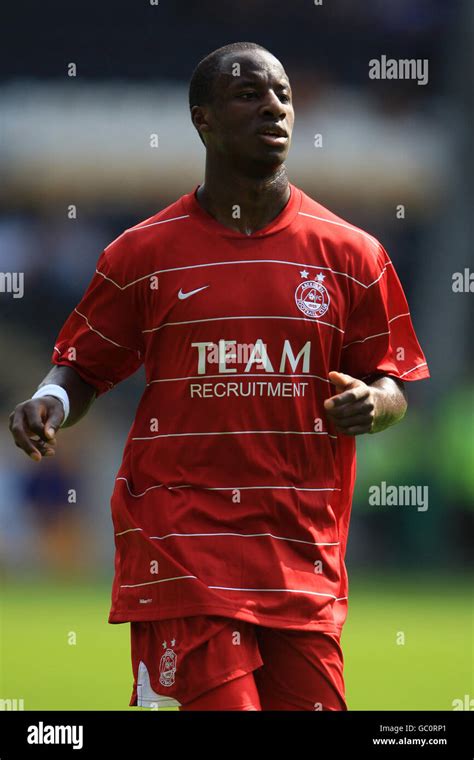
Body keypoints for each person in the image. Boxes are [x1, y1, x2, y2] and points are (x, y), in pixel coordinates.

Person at [8, 41, 429, 711]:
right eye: (248, 94)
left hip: (302, 558)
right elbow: (83, 367)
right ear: (202, 119)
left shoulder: (353, 254)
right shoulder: (144, 253)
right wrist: (50, 398)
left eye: (283, 95)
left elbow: (392, 383)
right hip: (183, 553)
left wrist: (374, 405)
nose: (273, 106)